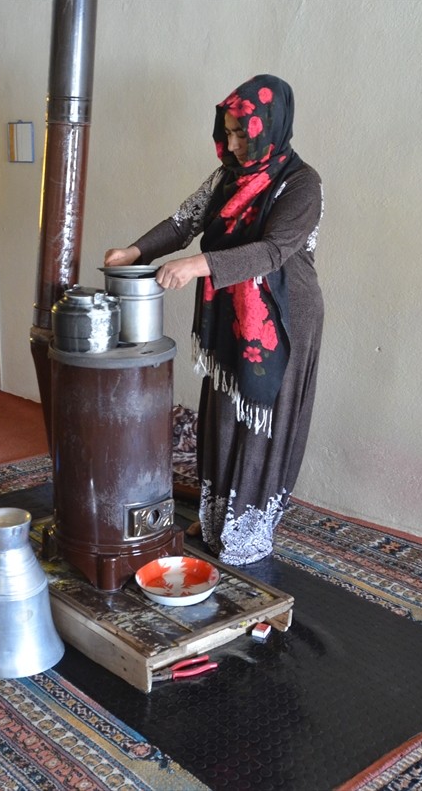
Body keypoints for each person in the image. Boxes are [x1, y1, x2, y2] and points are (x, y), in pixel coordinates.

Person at [104, 74, 324, 565]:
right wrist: (134, 252)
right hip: (233, 313)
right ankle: (218, 518)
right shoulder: (228, 177)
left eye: (244, 133)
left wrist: (197, 266)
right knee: (224, 414)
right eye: (228, 133)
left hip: (284, 323)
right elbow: (184, 221)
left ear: (271, 126)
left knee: (261, 420)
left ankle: (248, 531)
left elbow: (273, 251)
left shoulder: (301, 183)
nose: (235, 144)